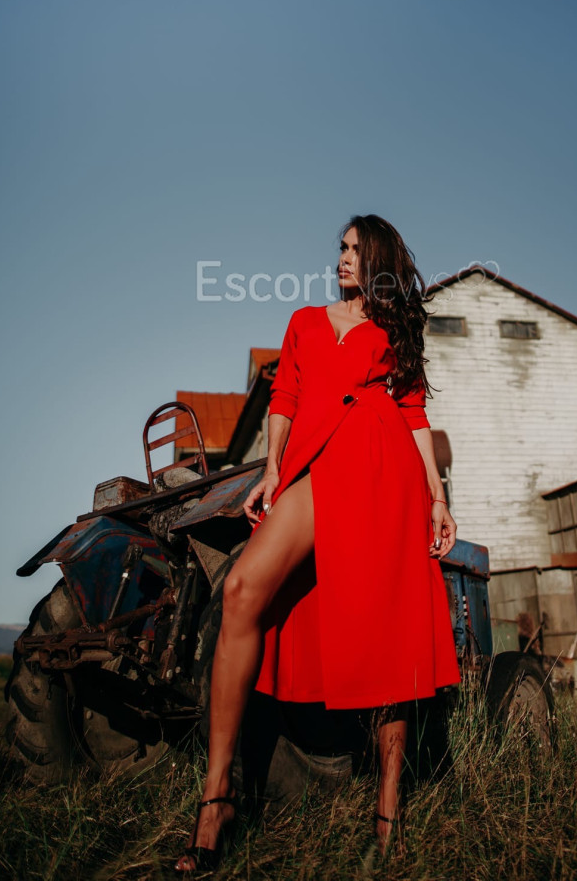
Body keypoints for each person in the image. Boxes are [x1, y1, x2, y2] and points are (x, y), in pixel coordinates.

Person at [175, 215, 460, 873]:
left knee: (388, 631)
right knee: (242, 591)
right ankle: (216, 800)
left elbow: (413, 412)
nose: (343, 258)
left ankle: (388, 812)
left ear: (379, 260)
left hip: (384, 470)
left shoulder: (392, 331)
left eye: (356, 250)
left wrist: (437, 497)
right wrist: (274, 470)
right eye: (341, 248)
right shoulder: (305, 322)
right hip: (316, 465)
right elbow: (285, 396)